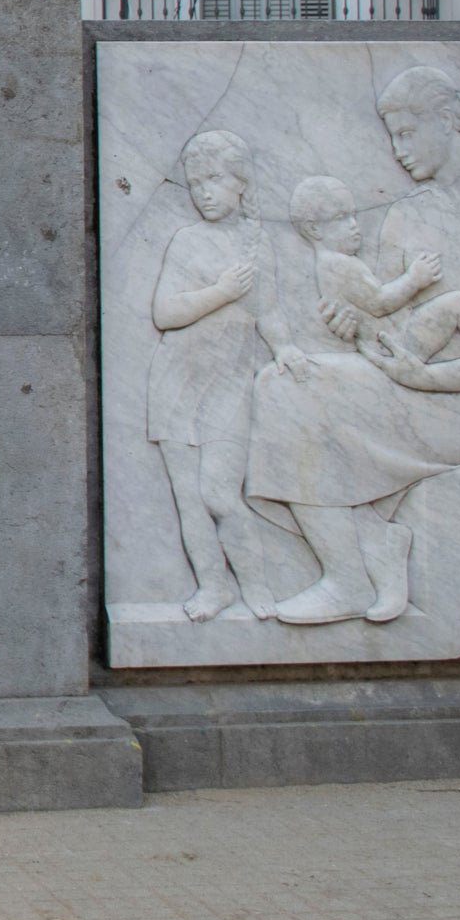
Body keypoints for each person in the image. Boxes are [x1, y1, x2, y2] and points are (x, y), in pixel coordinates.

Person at [245, 67, 460, 626]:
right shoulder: (405, 212)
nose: (397, 149)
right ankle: (365, 553)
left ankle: (351, 573)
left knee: (295, 399)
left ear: (450, 119)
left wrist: (427, 378)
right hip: (405, 380)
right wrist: (353, 327)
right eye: (391, 135)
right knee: (281, 382)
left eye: (407, 133)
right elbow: (388, 327)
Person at [147, 130, 277, 622]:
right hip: (177, 378)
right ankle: (213, 587)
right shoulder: (188, 240)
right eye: (194, 181)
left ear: (240, 181)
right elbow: (164, 312)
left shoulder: (258, 242)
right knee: (189, 499)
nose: (203, 191)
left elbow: (271, 310)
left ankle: (258, 584)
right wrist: (221, 292)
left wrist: (286, 350)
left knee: (220, 491)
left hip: (230, 380)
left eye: (215, 179)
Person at [287, 174, 460, 363]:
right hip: (394, 343)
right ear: (314, 229)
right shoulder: (339, 264)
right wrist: (414, 279)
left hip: (386, 341)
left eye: (353, 215)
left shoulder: (330, 264)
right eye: (341, 218)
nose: (354, 225)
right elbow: (379, 303)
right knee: (456, 302)